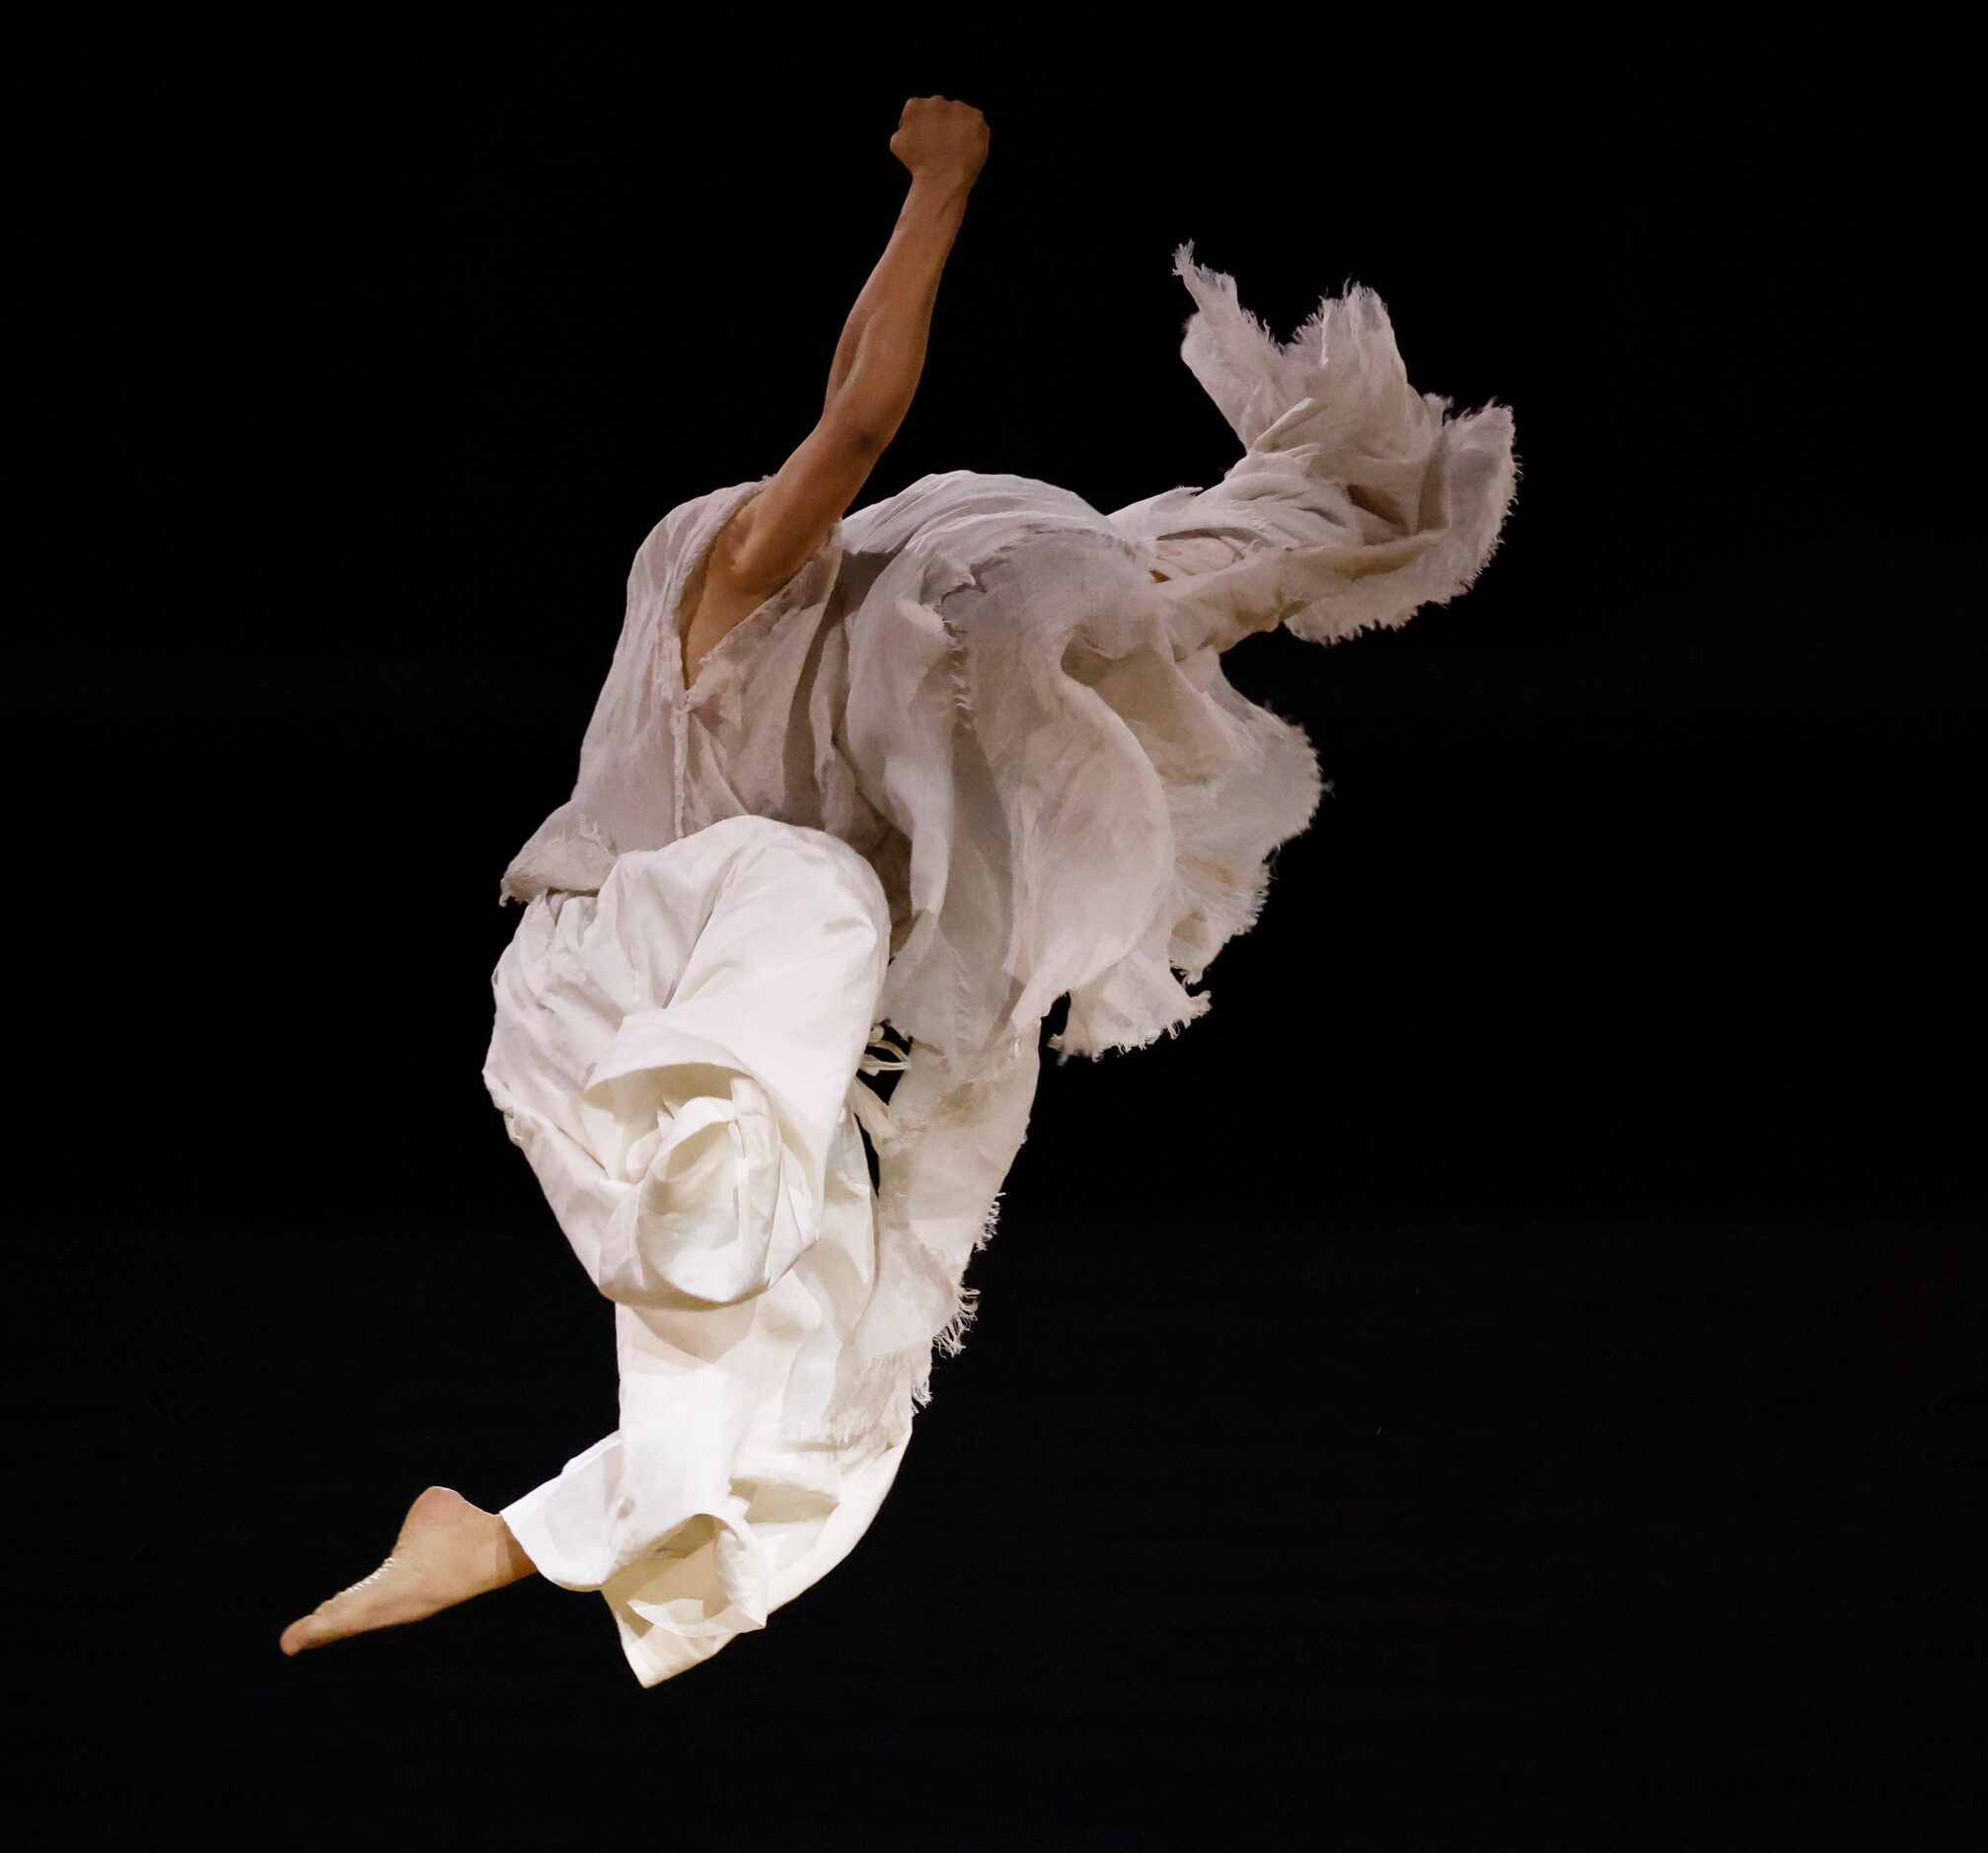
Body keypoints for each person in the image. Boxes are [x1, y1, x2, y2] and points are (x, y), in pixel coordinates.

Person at [279, 94, 1519, 1685]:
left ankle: (512, 1535)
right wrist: (941, 187)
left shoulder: (881, 695)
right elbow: (855, 424)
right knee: (820, 903)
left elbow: (1152, 583)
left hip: (730, 1087)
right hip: (612, 979)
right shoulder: (722, 594)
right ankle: (737, 1217)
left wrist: (1331, 508)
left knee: (854, 1389)